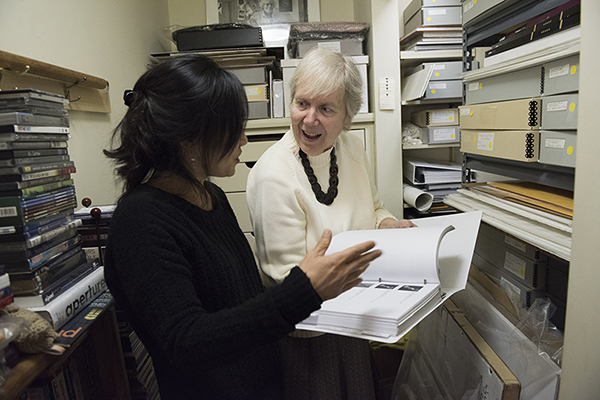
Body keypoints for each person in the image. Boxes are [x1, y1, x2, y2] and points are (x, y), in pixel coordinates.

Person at [102, 54, 382, 400]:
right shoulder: (140, 222)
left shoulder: (211, 196)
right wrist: (304, 289)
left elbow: (243, 304)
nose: (245, 140)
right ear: (190, 138)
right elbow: (187, 342)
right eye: (234, 129)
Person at [246, 47, 416, 400]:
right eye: (302, 103)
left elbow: (375, 207)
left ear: (347, 116)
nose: (310, 119)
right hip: (308, 336)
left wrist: (387, 225)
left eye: (326, 109)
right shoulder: (272, 175)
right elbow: (286, 279)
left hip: (355, 322)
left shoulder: (351, 148)